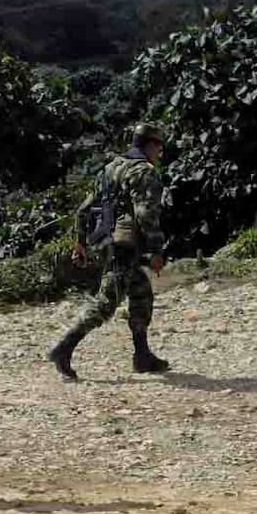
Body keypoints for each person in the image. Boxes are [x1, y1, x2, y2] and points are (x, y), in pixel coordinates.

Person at [48, 122, 170, 380]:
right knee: (106, 302)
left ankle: (142, 355)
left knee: (141, 293)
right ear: (151, 145)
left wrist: (80, 241)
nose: (160, 153)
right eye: (159, 147)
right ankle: (64, 348)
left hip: (103, 240)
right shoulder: (144, 172)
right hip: (123, 244)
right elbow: (145, 213)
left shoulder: (111, 167)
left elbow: (84, 208)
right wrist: (157, 249)